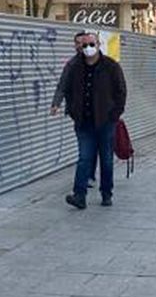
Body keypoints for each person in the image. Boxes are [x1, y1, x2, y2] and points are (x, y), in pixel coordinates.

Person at [53, 32, 127, 209]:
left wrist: (114, 115)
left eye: (90, 44)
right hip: (83, 122)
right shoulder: (74, 66)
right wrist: (65, 107)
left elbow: (121, 91)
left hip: (105, 121)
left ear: (98, 44)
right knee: (84, 158)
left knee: (106, 159)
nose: (87, 48)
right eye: (84, 45)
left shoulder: (111, 66)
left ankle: (106, 193)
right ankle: (79, 195)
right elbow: (64, 86)